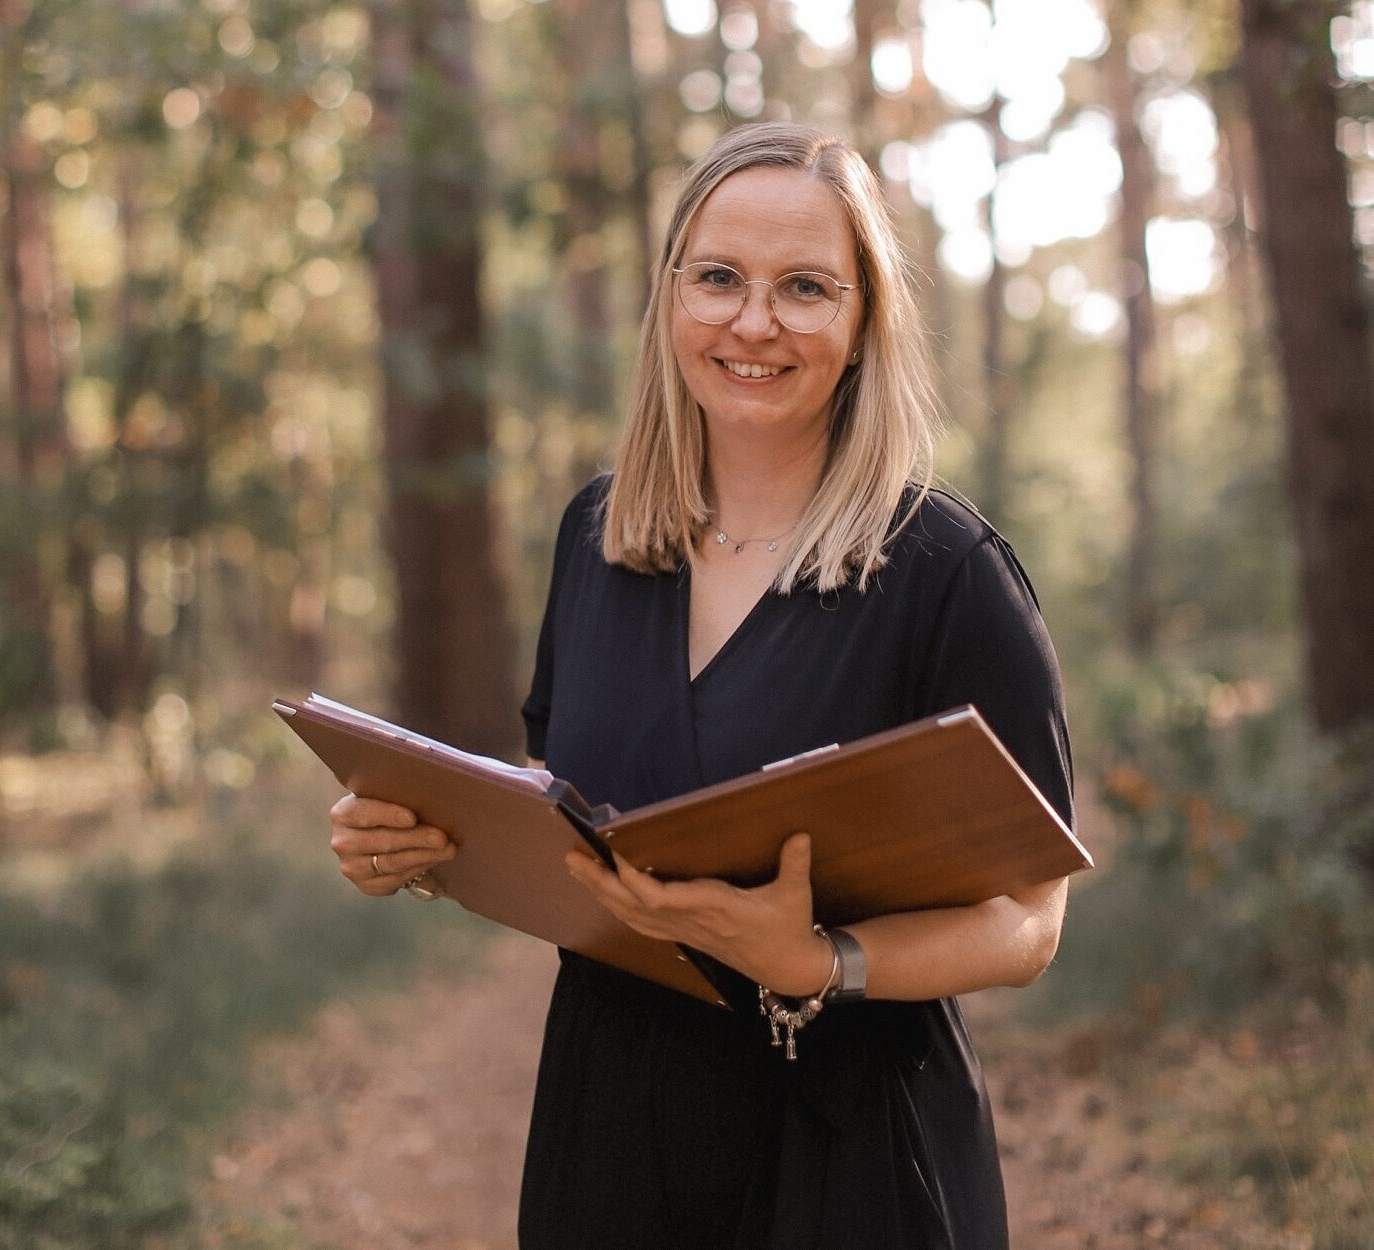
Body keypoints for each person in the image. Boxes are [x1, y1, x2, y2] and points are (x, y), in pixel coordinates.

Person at [329, 122, 1073, 1250]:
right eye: (719, 277)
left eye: (805, 288)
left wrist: (820, 962)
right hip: (611, 1134)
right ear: (671, 295)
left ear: (864, 320)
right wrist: (424, 848)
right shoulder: (597, 536)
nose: (754, 322)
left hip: (852, 1146)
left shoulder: (946, 573)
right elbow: (566, 814)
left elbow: (1028, 922)